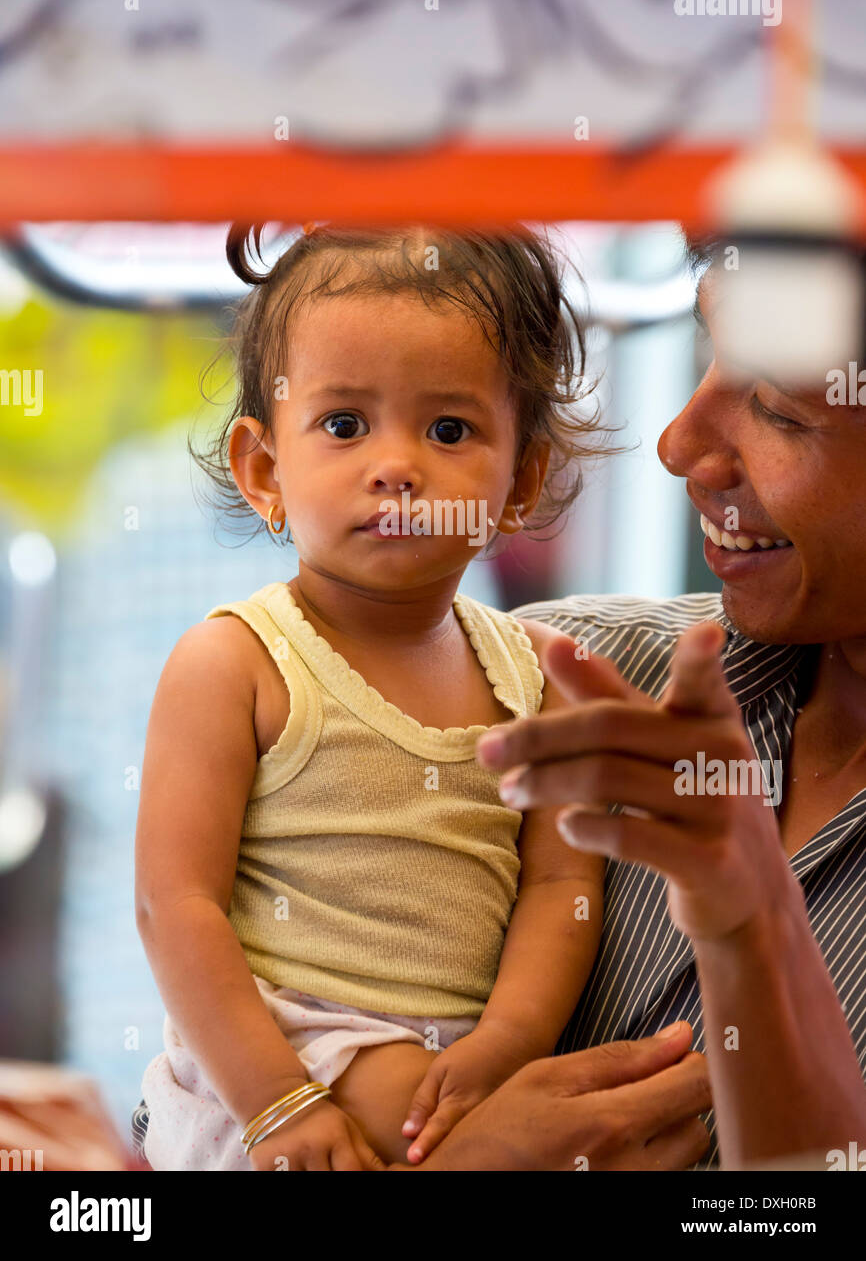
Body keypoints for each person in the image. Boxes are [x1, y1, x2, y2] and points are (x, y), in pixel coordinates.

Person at [135, 221, 646, 1171]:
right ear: (264, 470)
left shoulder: (543, 685)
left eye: (449, 429)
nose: (397, 464)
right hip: (272, 1054)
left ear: (522, 478)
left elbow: (563, 886)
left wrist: (506, 1043)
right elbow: (177, 906)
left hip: (454, 1062)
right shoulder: (238, 663)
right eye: (343, 424)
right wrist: (280, 1102)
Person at [468, 246, 866, 1170]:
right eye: (705, 352)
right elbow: (220, 1109)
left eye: (778, 409)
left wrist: (752, 925)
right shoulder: (557, 675)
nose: (678, 444)